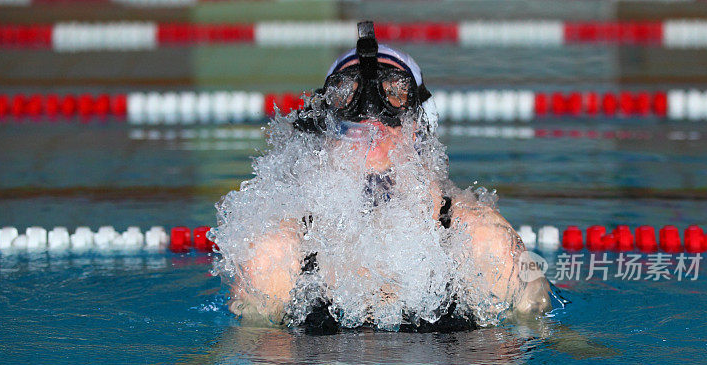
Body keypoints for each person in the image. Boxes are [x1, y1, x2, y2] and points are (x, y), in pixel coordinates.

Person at [214, 21, 551, 333]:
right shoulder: (279, 255)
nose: (371, 119)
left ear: (418, 127)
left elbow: (540, 338)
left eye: (395, 94)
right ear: (325, 128)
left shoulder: (482, 240)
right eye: (347, 97)